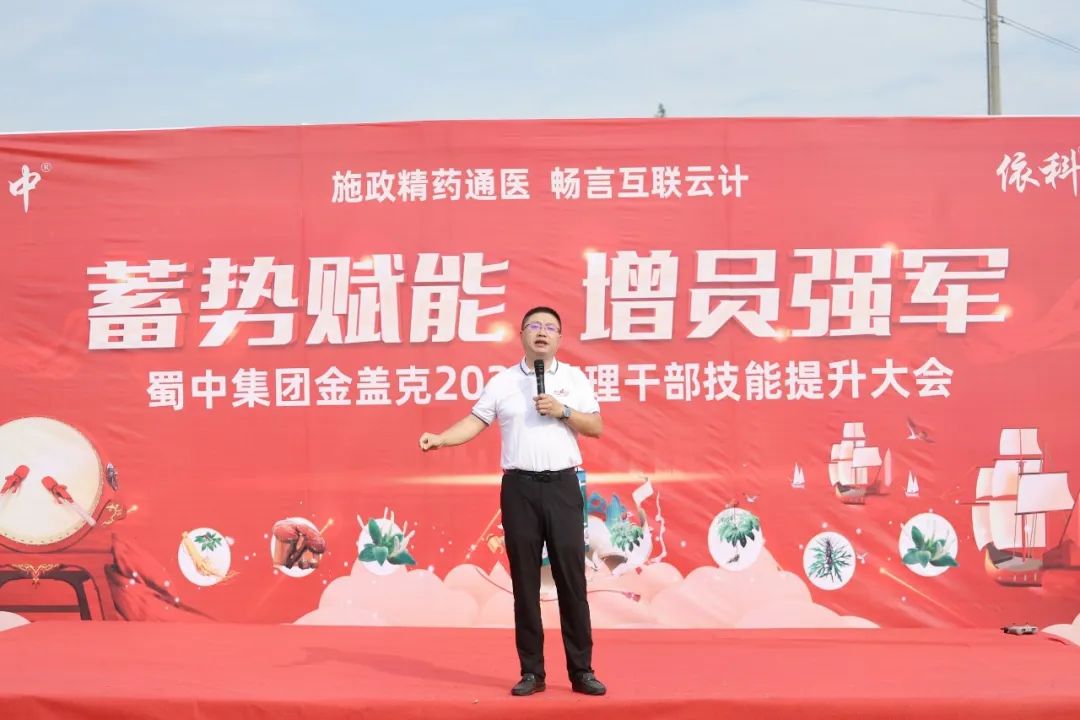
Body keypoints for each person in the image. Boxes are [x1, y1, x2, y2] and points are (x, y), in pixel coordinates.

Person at [418, 306, 606, 697]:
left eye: (550, 327)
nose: (542, 332)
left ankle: (582, 670)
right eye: (534, 326)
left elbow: (595, 426)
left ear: (559, 338)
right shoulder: (502, 382)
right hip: (519, 489)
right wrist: (441, 438)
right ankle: (532, 672)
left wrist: (563, 411)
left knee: (572, 580)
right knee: (524, 581)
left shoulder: (574, 378)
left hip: (563, 486)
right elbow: (475, 420)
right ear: (521, 334)